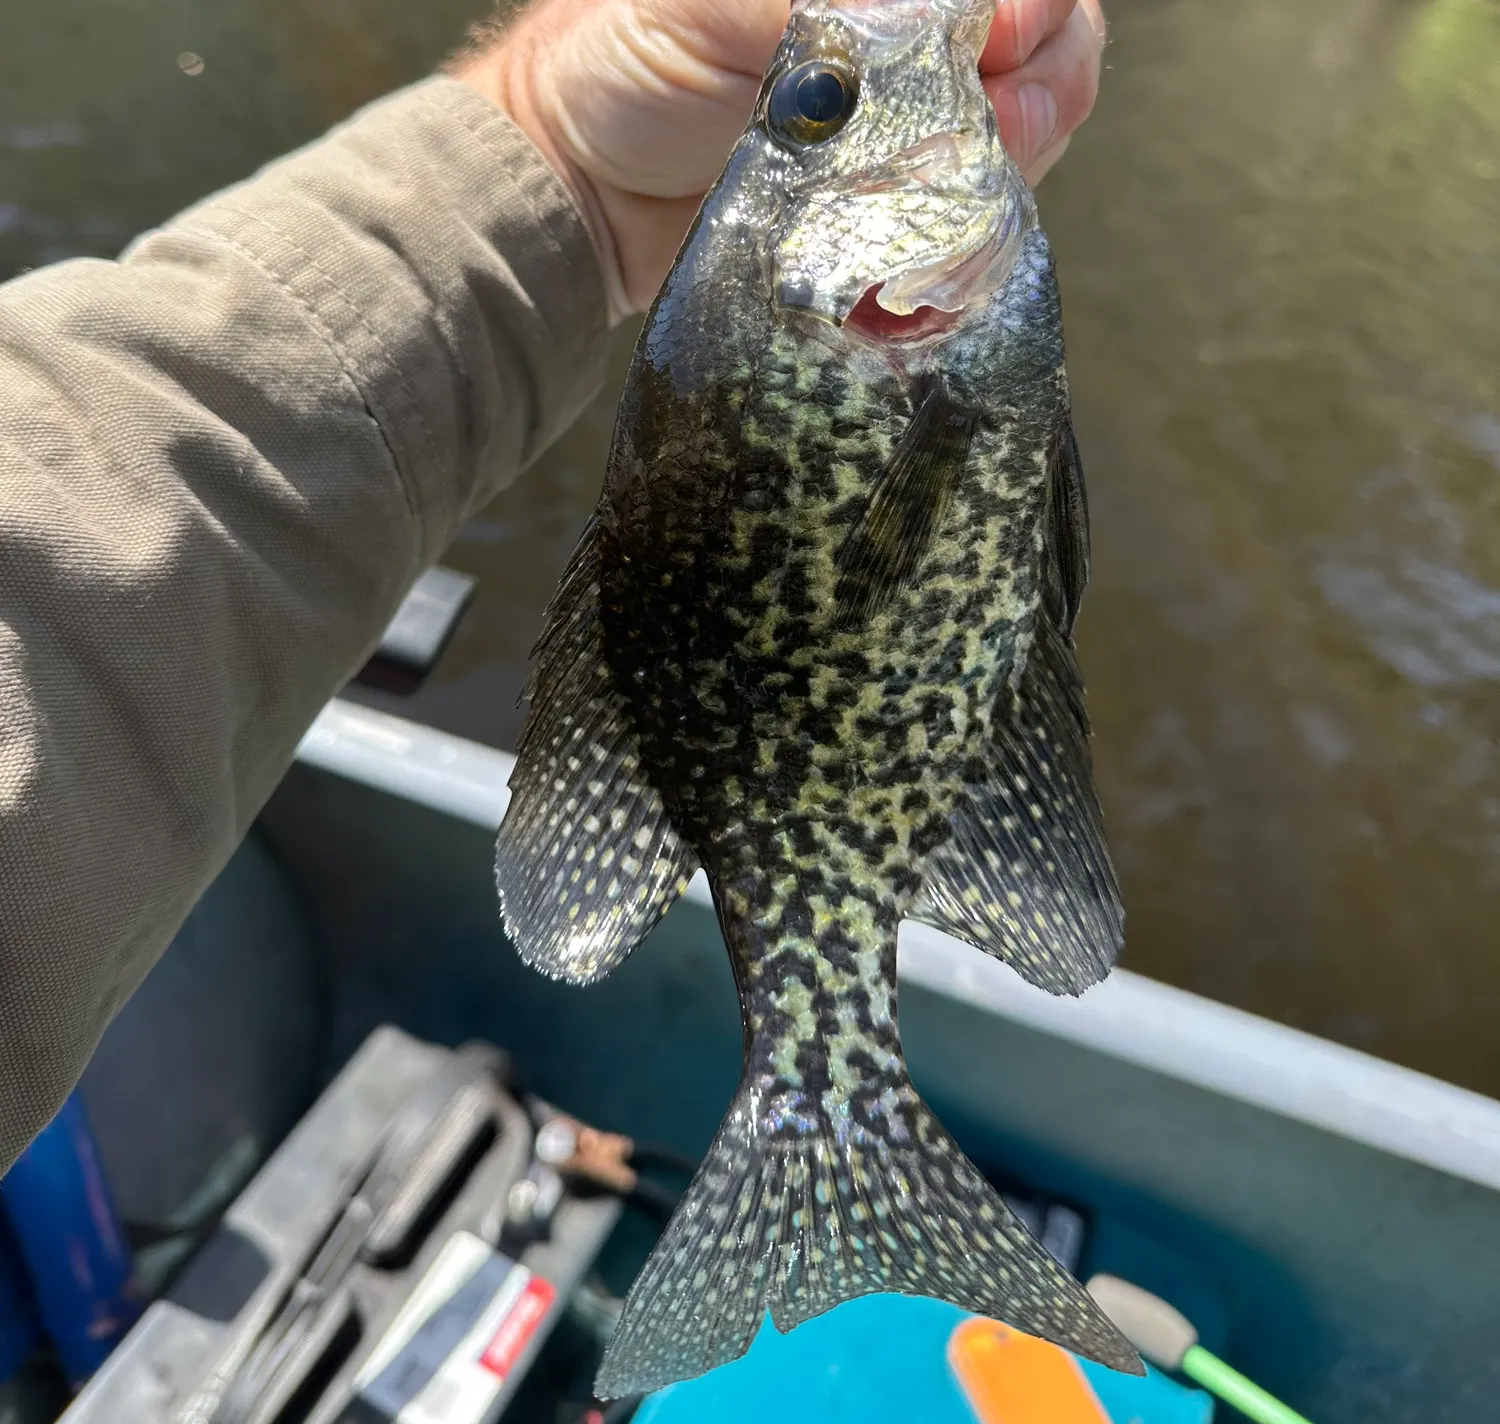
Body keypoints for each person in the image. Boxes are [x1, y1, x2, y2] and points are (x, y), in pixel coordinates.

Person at [0, 0, 1105, 1170]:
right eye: (818, 106)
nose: (844, 79)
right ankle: (825, 1117)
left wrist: (561, 150)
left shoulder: (887, 301)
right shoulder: (904, 310)